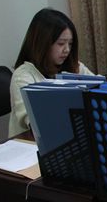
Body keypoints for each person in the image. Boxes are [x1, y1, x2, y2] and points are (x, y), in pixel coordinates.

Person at [9, 8, 94, 137]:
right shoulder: (23, 76)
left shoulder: (73, 67)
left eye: (70, 44)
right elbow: (33, 121)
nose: (67, 50)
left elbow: (98, 86)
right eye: (61, 44)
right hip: (31, 142)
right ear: (42, 43)